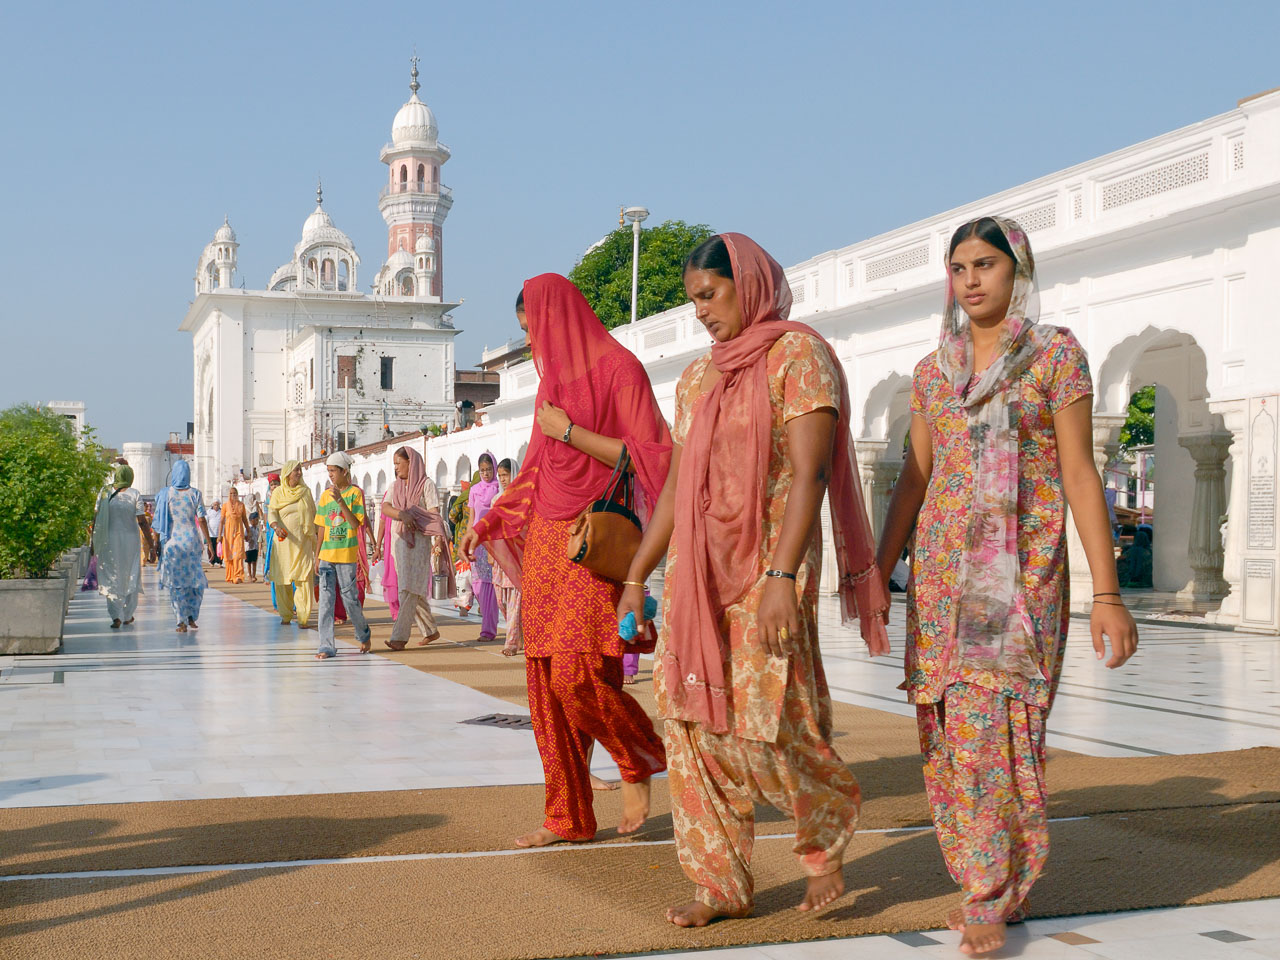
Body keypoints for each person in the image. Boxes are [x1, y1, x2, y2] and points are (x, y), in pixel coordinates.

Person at [876, 216, 1139, 957]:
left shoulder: (1054, 355)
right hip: (939, 580)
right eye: (959, 268)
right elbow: (915, 481)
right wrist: (873, 573)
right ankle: (988, 876)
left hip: (1020, 580)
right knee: (949, 736)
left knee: (1001, 732)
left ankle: (990, 892)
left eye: (985, 264)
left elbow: (1081, 474)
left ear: (1017, 269)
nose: (970, 281)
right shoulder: (934, 370)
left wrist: (1108, 594)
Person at [616, 233, 889, 927]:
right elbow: (678, 483)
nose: (701, 312)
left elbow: (810, 473)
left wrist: (779, 575)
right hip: (695, 578)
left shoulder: (799, 357)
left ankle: (823, 832)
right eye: (694, 301)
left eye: (710, 295)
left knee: (773, 717)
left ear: (749, 284)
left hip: (769, 568)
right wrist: (637, 575)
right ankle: (720, 885)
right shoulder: (698, 379)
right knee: (689, 725)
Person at [462, 274, 671, 848]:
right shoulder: (550, 384)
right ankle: (569, 816)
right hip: (547, 549)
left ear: (561, 320)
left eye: (536, 334)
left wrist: (572, 431)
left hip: (590, 541)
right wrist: (485, 523)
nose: (533, 349)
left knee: (581, 678)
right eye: (527, 337)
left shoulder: (619, 369)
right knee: (546, 688)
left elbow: (651, 455)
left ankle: (637, 757)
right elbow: (533, 469)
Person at [377, 446, 454, 650]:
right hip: (400, 542)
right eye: (394, 464)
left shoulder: (426, 485)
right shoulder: (395, 486)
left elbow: (433, 514)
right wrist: (402, 515)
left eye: (398, 463)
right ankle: (430, 630)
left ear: (411, 463)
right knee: (410, 589)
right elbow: (385, 507)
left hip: (419, 543)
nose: (396, 468)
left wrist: (437, 538)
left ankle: (399, 637)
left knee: (409, 589)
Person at [313, 452, 379, 659]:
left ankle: (363, 633)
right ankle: (326, 646)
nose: (330, 475)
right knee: (325, 601)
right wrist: (317, 556)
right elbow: (322, 528)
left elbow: (355, 523)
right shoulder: (324, 496)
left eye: (333, 471)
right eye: (328, 471)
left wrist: (341, 501)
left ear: (344, 471)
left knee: (350, 599)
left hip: (346, 557)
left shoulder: (354, 494)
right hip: (327, 556)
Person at [153, 461, 213, 632]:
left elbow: (158, 522)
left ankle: (180, 620)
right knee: (194, 581)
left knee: (176, 583)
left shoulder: (165, 494)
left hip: (173, 544)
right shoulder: (195, 494)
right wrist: (209, 543)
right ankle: (192, 615)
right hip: (192, 542)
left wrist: (156, 543)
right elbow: (201, 519)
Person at [91, 463, 146, 629]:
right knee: (131, 574)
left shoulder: (104, 492)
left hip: (108, 541)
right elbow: (142, 521)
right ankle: (128, 615)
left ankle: (116, 616)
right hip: (130, 542)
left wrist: (93, 542)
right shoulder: (135, 494)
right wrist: (151, 543)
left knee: (111, 574)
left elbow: (95, 518)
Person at [267, 461, 317, 628]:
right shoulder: (278, 493)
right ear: (287, 473)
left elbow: (314, 515)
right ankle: (286, 613)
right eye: (296, 470)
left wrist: (317, 539)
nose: (299, 473)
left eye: (300, 470)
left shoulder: (306, 492)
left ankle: (303, 617)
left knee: (303, 579)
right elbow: (272, 512)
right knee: (283, 580)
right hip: (283, 543)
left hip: (303, 543)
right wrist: (275, 526)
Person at [469, 452, 502, 641]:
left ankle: (488, 630)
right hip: (478, 541)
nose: (486, 473)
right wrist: (467, 540)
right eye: (482, 470)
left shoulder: (499, 488)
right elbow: (471, 518)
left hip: (494, 540)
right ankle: (488, 620)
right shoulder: (474, 490)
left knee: (490, 585)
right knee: (477, 585)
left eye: (489, 469)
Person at [494, 458, 524, 657]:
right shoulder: (496, 499)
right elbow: (493, 527)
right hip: (500, 556)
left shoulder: (522, 499)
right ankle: (519, 635)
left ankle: (511, 642)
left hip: (516, 556)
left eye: (505, 474)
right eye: (500, 476)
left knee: (514, 600)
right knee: (501, 601)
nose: (503, 479)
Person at [219, 488, 248, 583]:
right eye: (231, 493)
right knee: (230, 554)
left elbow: (244, 519)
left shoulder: (241, 505)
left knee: (238, 554)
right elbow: (222, 521)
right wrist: (219, 535)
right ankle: (231, 575)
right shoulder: (225, 506)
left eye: (235, 493)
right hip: (228, 533)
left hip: (239, 531)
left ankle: (238, 576)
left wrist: (248, 531)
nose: (233, 495)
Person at [206, 499, 223, 565]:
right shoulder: (209, 512)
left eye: (217, 505)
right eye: (215, 505)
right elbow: (206, 521)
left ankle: (220, 562)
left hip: (219, 534)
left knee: (219, 548)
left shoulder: (221, 512)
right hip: (211, 533)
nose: (216, 506)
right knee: (210, 548)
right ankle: (211, 561)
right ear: (212, 505)